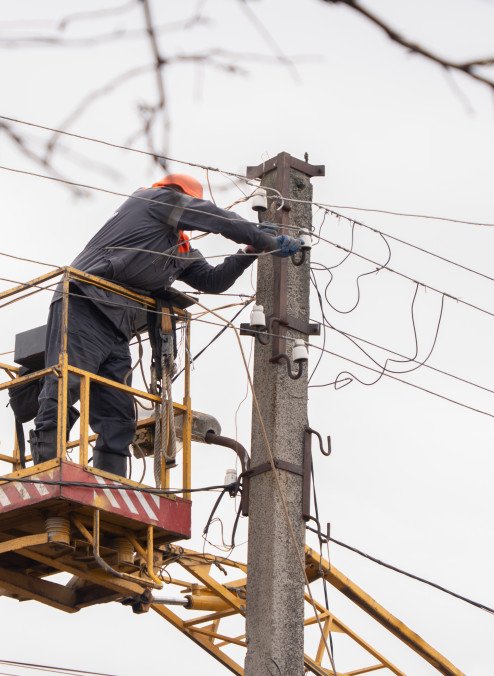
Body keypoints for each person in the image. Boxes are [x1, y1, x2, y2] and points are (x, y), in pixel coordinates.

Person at [29, 173, 303, 476]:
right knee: (67, 383)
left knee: (117, 414)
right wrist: (261, 236)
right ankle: (47, 471)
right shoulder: (152, 200)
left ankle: (110, 482)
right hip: (83, 302)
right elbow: (216, 219)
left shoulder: (177, 247)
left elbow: (211, 280)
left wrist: (251, 251)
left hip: (116, 327)